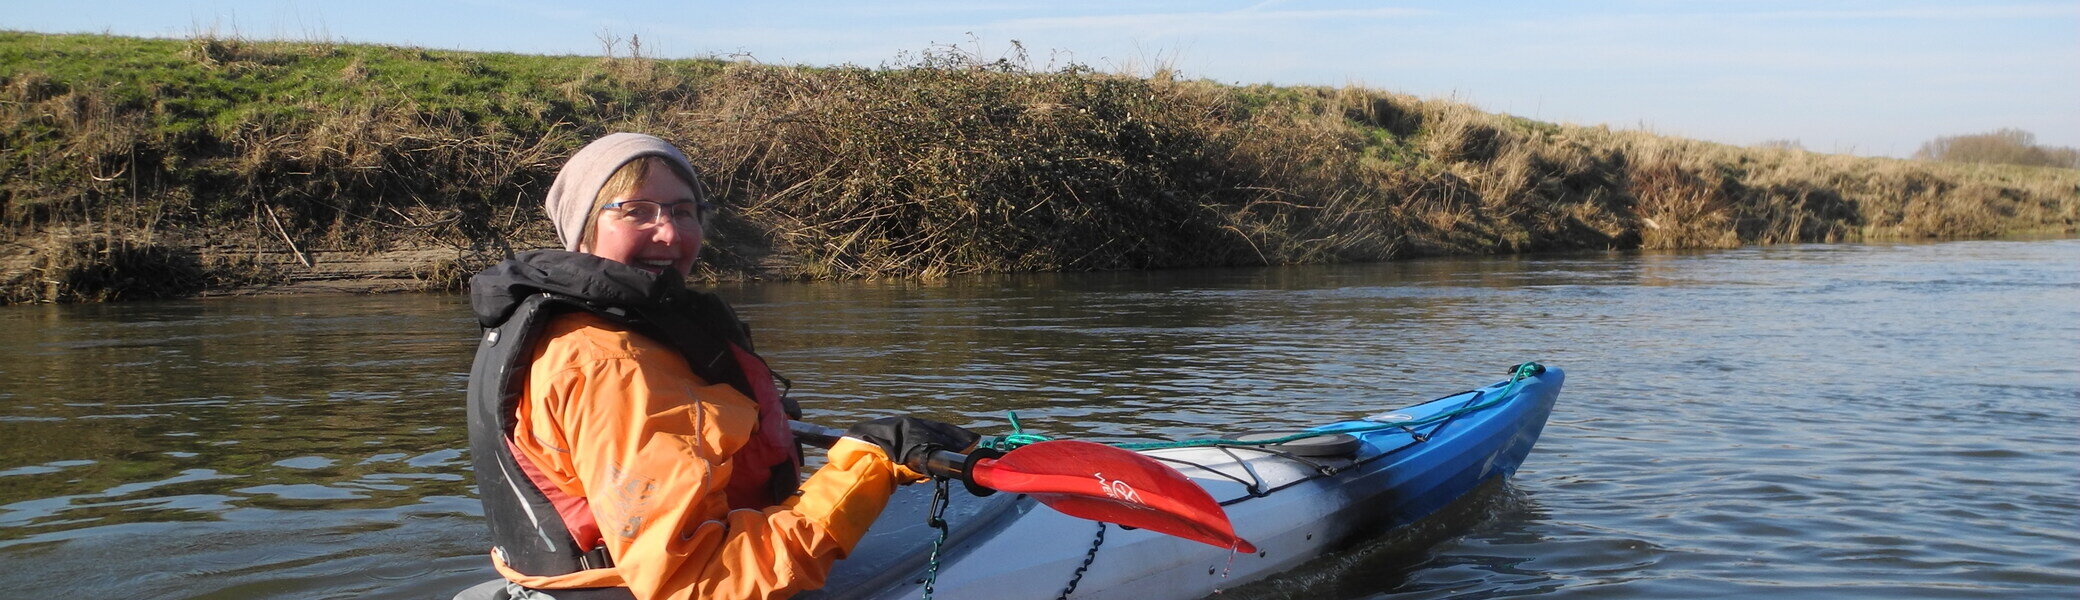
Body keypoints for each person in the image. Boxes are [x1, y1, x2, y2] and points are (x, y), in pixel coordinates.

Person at [460, 133, 978, 600]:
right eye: (636, 211)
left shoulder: (582, 330)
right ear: (583, 230)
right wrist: (868, 467)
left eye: (683, 211)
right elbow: (701, 581)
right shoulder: (614, 362)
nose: (669, 234)